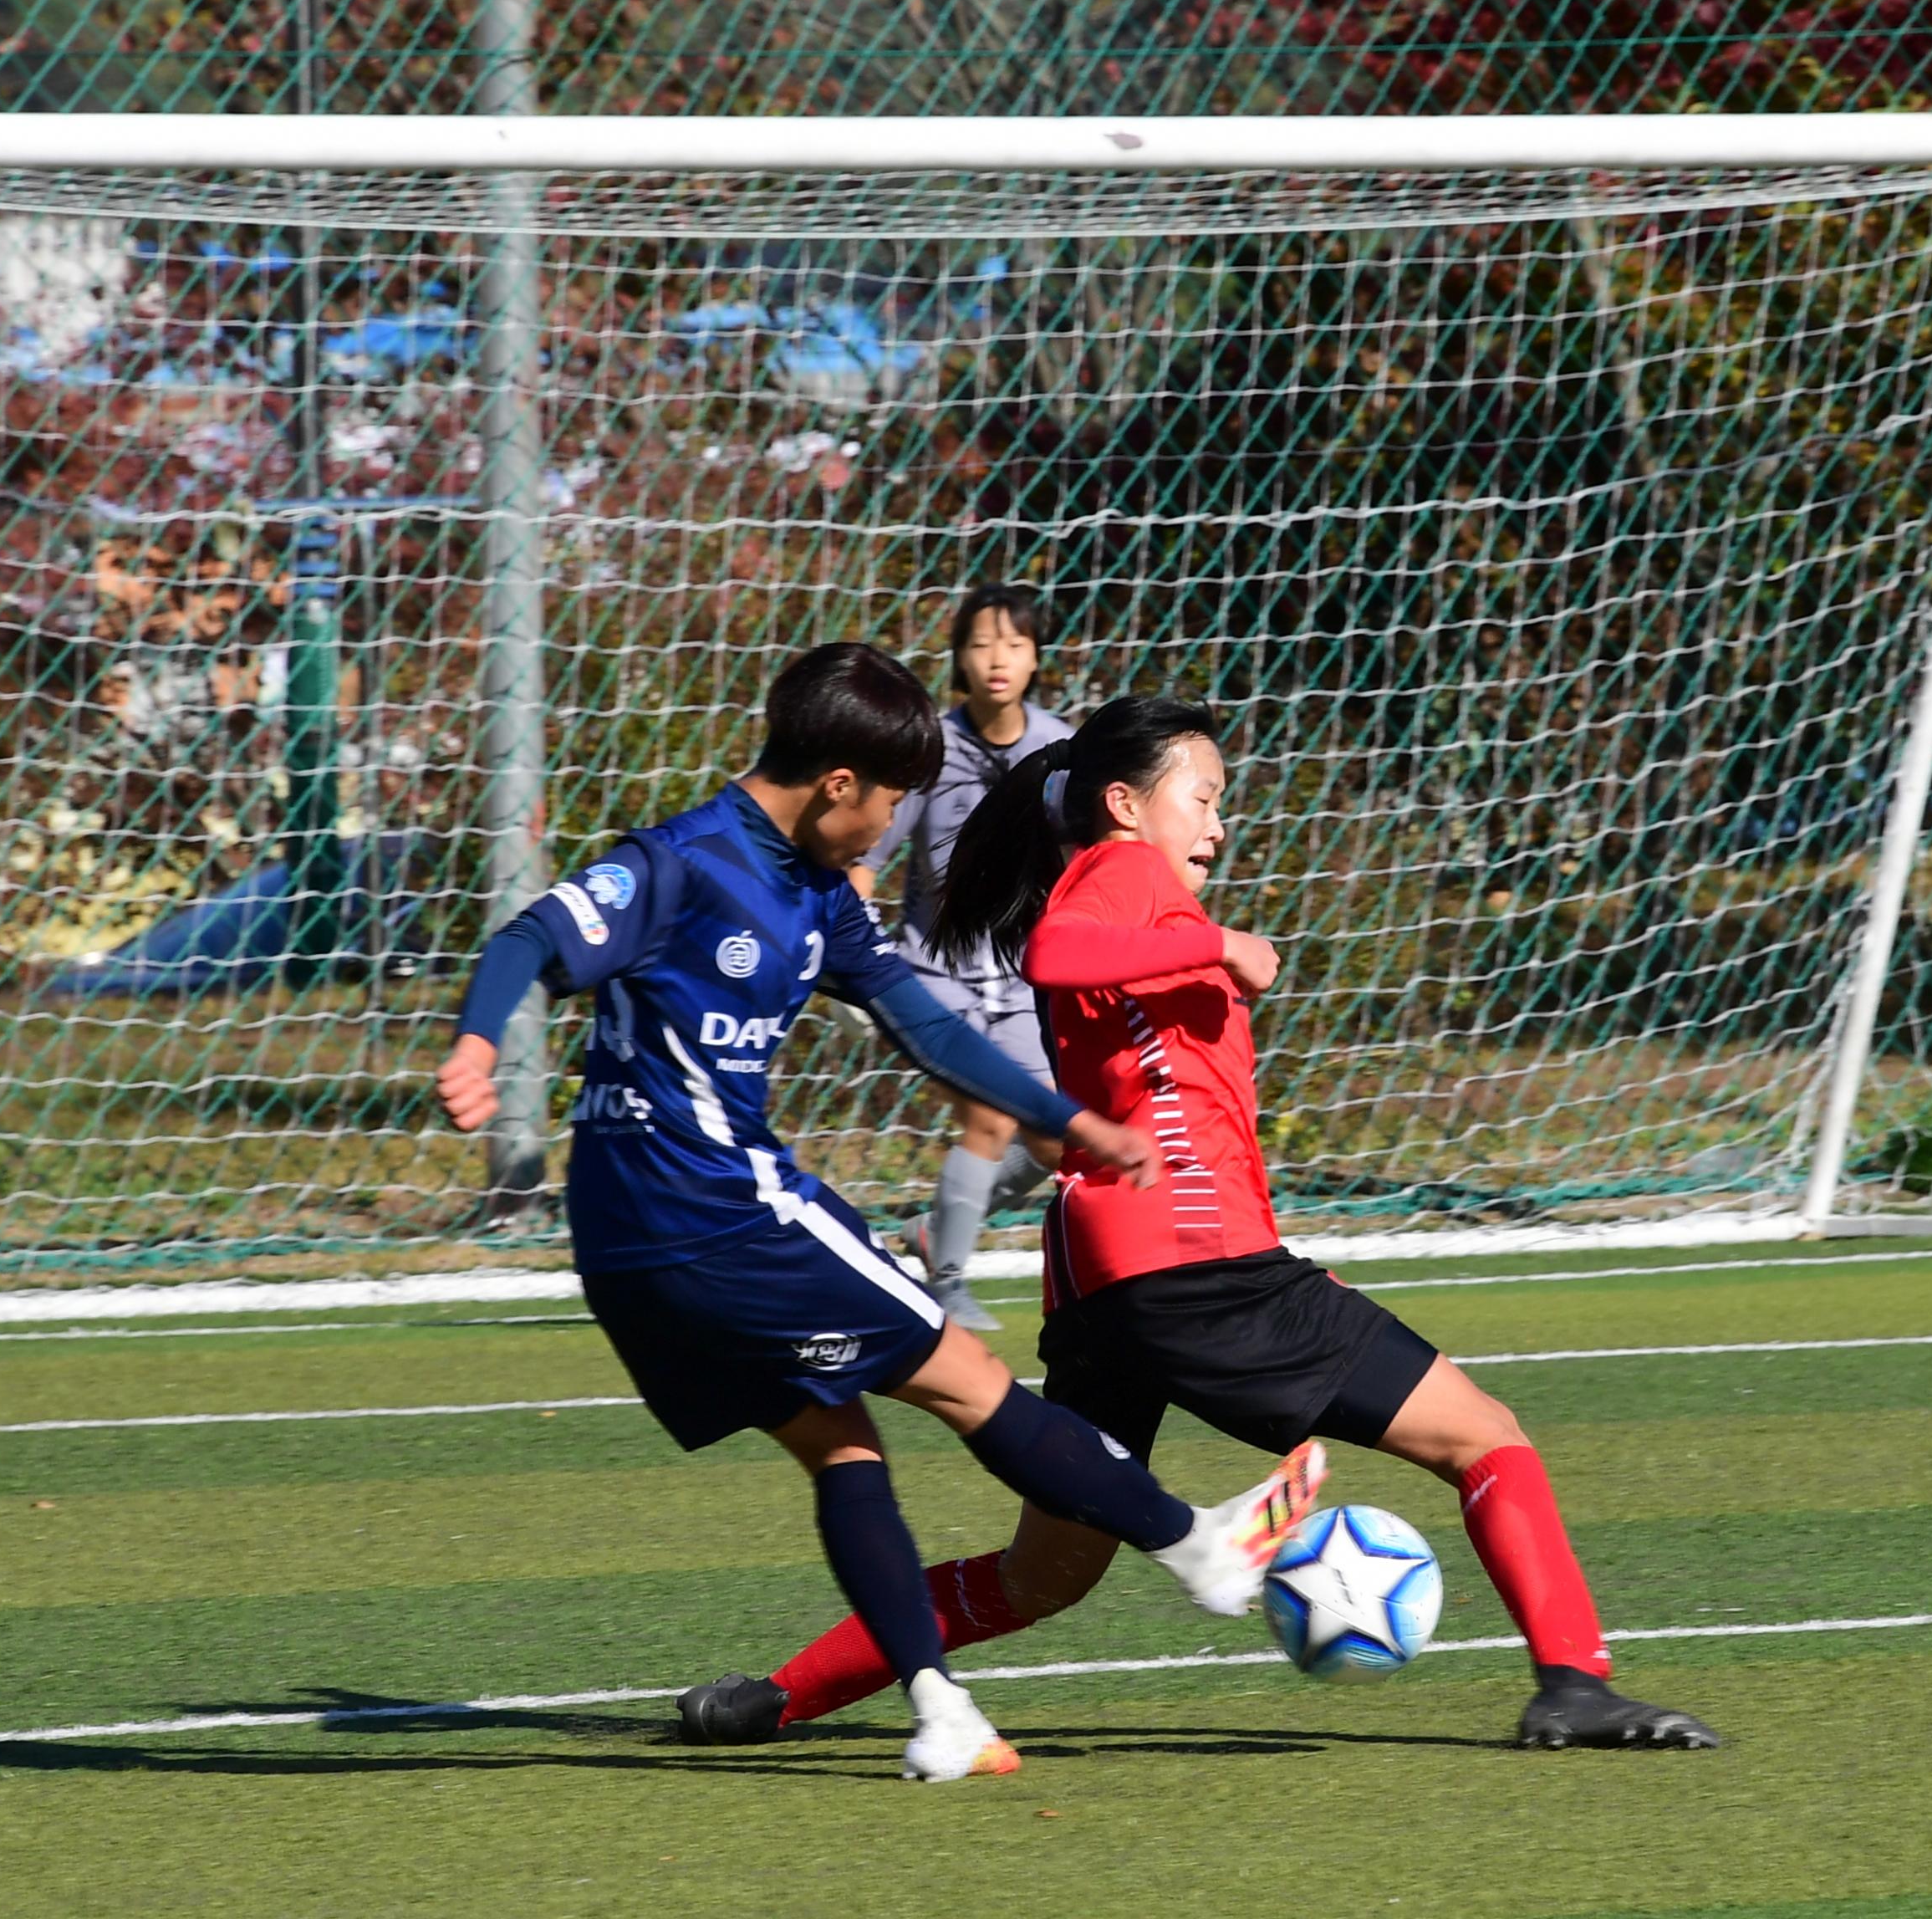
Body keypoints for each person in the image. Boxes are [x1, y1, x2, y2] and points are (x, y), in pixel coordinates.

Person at [673, 696, 1720, 1754]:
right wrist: (1224, 941)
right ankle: (1573, 1684)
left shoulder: (1117, 886)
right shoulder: (1125, 877)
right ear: (1125, 804)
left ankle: (775, 1696)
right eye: (1204, 798)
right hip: (1200, 1263)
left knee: (1046, 1571)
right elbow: (1056, 950)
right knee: (1485, 1435)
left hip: (1106, 1278)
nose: (1218, 824)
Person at [436, 649, 1326, 1782]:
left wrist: (1070, 1120)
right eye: (896, 801)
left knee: (841, 1443)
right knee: (968, 1378)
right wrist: (477, 1037)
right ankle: (1198, 1548)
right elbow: (528, 940)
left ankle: (940, 1712)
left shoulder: (816, 893)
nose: (898, 827)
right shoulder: (681, 862)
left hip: (624, 1245)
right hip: (719, 1206)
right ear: (840, 783)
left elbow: (931, 1032)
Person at [852, 584, 1072, 1330]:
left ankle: (931, 1232)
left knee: (1054, 1136)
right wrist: (857, 950)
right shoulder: (928, 749)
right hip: (931, 974)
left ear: (1038, 656)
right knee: (987, 1112)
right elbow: (865, 858)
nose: (996, 659)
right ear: (959, 658)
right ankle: (944, 1284)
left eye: (1013, 643)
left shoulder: (1060, 748)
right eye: (980, 644)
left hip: (1018, 979)